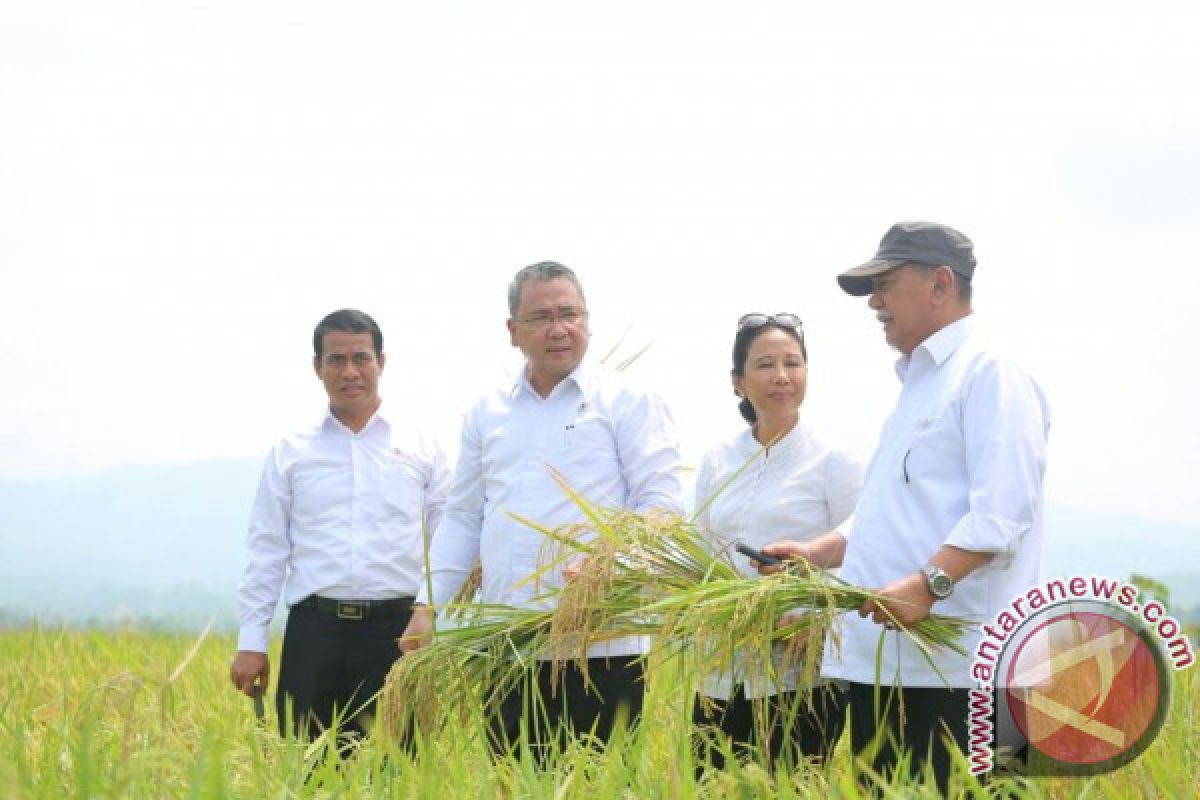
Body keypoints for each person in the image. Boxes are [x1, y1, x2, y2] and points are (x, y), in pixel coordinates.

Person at [759, 222, 1051, 791]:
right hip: (890, 670)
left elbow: (1004, 513)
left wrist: (926, 584)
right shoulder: (919, 384)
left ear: (940, 283)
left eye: (886, 284)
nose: (874, 302)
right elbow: (886, 511)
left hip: (965, 676)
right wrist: (816, 554)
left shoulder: (992, 372)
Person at [399, 260, 684, 756]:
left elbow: (662, 506)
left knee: (600, 786)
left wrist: (608, 566)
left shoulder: (626, 401)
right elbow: (465, 518)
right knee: (513, 780)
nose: (559, 328)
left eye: (569, 313)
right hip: (508, 644)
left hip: (602, 643)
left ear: (588, 320)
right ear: (513, 331)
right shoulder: (489, 413)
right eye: (541, 317)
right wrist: (429, 606)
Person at [229, 309, 452, 742]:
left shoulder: (423, 446)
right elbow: (267, 550)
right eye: (336, 360)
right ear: (318, 367)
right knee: (309, 770)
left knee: (399, 772)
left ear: (381, 363)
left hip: (400, 634)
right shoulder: (291, 452)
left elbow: (447, 541)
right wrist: (252, 641)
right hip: (315, 633)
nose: (350, 371)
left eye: (361, 358)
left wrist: (432, 614)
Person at [691, 313, 862, 770]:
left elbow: (864, 554)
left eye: (793, 363)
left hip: (799, 677)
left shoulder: (834, 460)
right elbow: (701, 553)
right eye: (765, 364)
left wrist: (815, 620)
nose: (782, 376)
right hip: (720, 675)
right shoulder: (718, 461)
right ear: (738, 381)